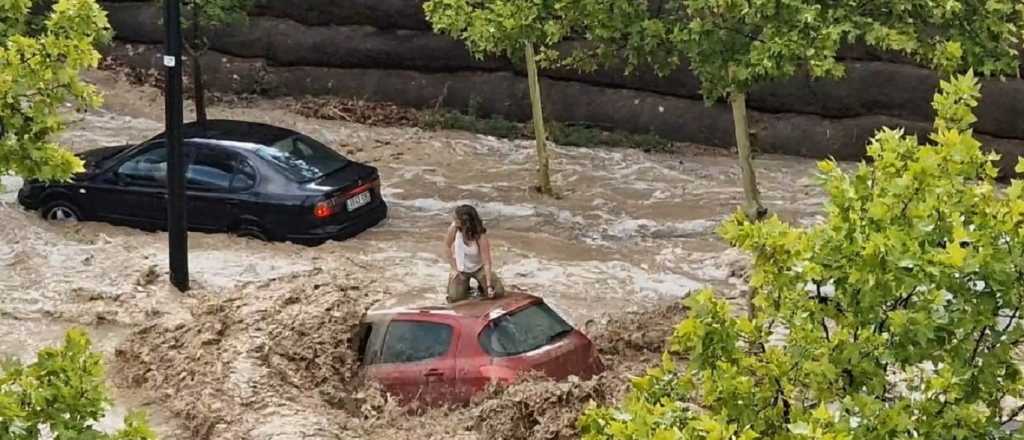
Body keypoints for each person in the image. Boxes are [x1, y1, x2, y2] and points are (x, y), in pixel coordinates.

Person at [444, 204, 505, 302]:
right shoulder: (454, 228)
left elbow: (486, 262)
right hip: (461, 269)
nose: (454, 220)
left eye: (456, 219)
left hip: (478, 268)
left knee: (498, 293)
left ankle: (482, 287)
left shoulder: (480, 235)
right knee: (454, 298)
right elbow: (447, 247)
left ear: (465, 222)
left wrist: (489, 286)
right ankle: (466, 288)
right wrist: (454, 268)